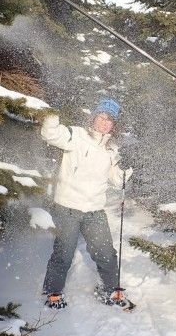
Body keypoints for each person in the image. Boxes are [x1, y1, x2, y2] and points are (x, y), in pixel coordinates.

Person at [39, 98, 133, 310]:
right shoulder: (76, 135)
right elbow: (50, 134)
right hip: (67, 207)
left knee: (106, 253)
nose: (104, 122)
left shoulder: (112, 149)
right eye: (101, 116)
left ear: (114, 125)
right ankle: (53, 291)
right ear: (94, 116)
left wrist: (127, 166)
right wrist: (52, 111)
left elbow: (118, 181)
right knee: (64, 252)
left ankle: (110, 289)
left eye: (110, 120)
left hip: (94, 210)